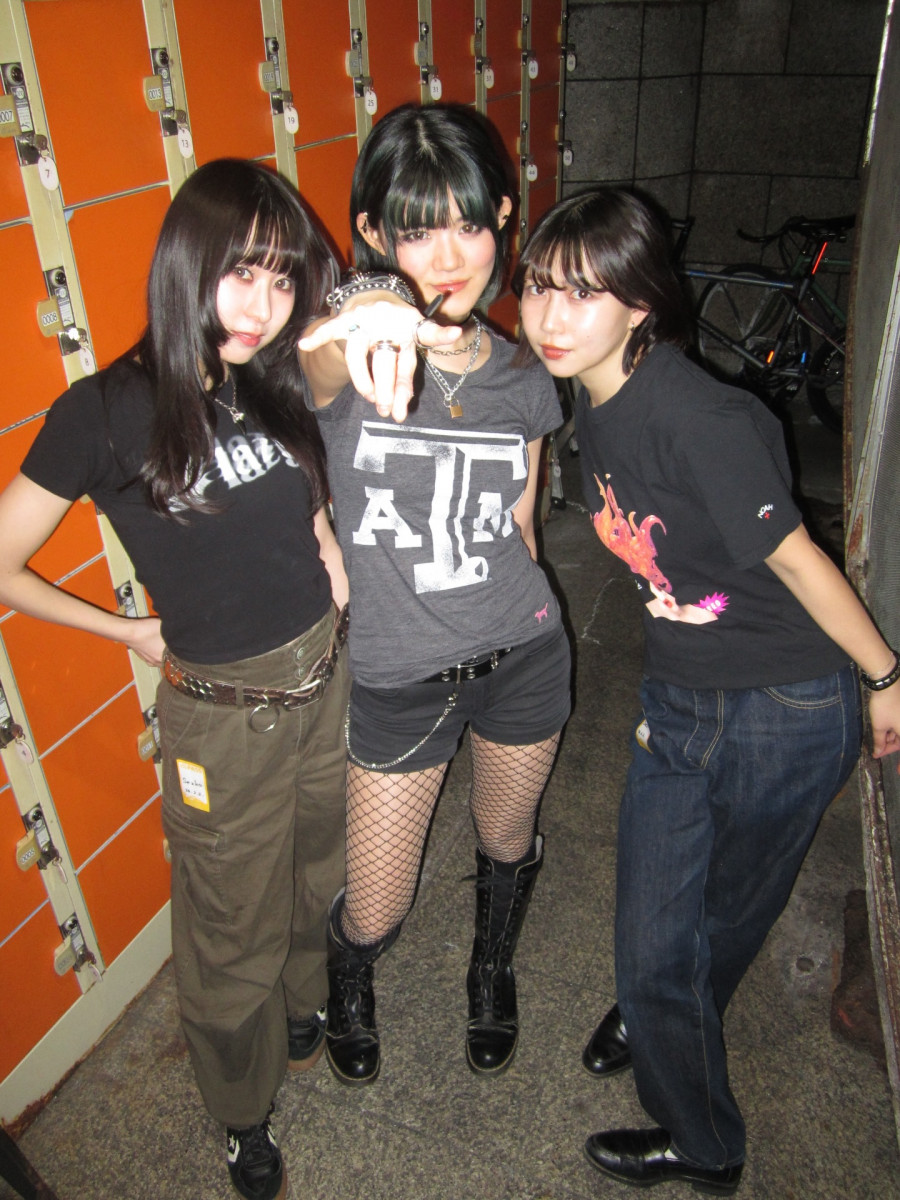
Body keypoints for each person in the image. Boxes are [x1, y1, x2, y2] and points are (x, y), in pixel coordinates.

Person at [513, 187, 900, 1195]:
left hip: (787, 710)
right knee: (652, 936)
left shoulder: (703, 420)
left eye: (584, 294)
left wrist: (886, 678)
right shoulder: (592, 401)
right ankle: (660, 1009)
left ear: (641, 302)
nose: (552, 316)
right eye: (540, 287)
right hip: (680, 703)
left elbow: (804, 563)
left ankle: (704, 1143)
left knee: (727, 915)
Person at [0, 159, 352, 1200]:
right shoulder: (105, 411)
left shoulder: (268, 380)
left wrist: (335, 570)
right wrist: (126, 630)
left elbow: (307, 504)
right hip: (225, 719)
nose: (263, 304)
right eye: (242, 272)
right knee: (231, 925)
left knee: (320, 868)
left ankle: (305, 1007)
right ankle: (241, 1112)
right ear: (186, 263)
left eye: (283, 280)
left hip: (325, 678)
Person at [297, 103, 571, 1085]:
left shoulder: (528, 379)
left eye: (467, 223)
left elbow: (523, 531)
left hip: (524, 656)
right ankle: (349, 969)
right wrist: (371, 305)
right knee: (379, 906)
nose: (448, 257)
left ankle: (491, 968)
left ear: (502, 217)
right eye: (415, 231)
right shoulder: (346, 359)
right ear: (373, 232)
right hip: (403, 679)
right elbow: (321, 346)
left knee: (506, 840)